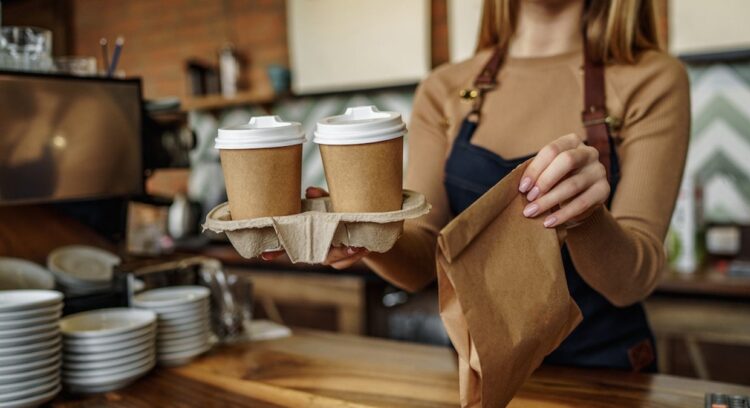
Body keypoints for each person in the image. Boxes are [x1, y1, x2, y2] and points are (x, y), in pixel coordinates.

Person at [267, 0, 690, 372]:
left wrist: (587, 217)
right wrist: (365, 233)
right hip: (483, 375)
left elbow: (632, 281)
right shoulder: (444, 89)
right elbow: (423, 260)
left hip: (606, 372)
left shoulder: (653, 78)